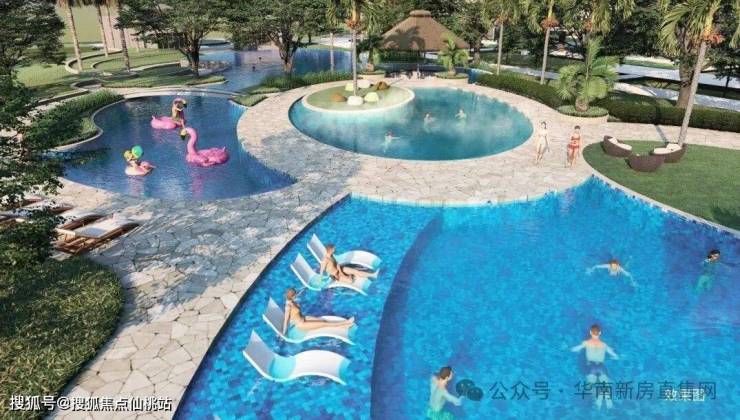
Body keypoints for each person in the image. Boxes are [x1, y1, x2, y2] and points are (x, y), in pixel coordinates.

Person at [571, 324, 619, 410]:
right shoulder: (604, 345)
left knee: (590, 387)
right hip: (601, 367)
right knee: (606, 385)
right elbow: (615, 356)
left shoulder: (587, 343)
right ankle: (607, 400)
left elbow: (575, 349)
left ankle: (598, 397)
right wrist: (614, 357)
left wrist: (573, 349)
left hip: (591, 368)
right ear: (599, 333)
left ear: (590, 332)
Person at [281, 288, 354, 335]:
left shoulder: (292, 301)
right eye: (295, 295)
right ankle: (345, 323)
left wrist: (304, 289)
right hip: (301, 324)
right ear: (292, 296)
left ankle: (343, 326)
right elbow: (286, 320)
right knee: (324, 324)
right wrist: (284, 334)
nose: (297, 296)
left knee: (323, 320)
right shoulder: (288, 306)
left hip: (304, 318)